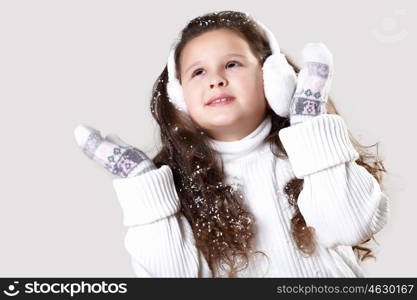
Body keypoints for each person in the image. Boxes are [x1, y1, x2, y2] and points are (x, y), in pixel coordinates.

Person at [74, 10, 389, 277]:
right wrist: (145, 187)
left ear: (271, 76)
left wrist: (310, 125)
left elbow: (350, 225)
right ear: (180, 98)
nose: (216, 79)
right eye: (198, 72)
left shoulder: (310, 153)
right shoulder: (178, 183)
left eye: (232, 64)